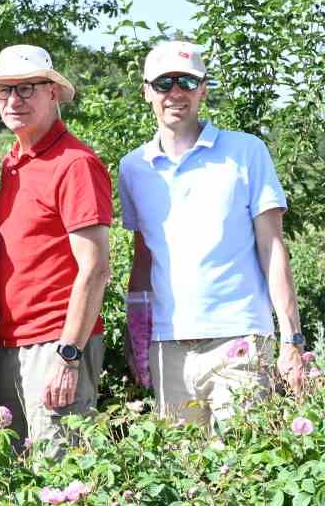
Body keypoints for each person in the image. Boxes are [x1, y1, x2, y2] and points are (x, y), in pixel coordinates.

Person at [119, 41, 309, 428]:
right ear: (146, 92)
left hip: (240, 339)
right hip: (166, 346)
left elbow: (272, 246)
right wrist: (137, 337)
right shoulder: (133, 167)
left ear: (203, 89)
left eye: (187, 81)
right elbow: (144, 258)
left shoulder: (246, 152)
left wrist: (292, 340)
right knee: (184, 477)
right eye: (163, 83)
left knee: (242, 471)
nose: (175, 92)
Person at [0, 44, 111, 443]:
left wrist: (68, 355)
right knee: (17, 480)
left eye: (28, 88)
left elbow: (96, 267)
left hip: (55, 344)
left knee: (60, 479)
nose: (14, 100)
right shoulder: (14, 161)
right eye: (6, 90)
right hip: (12, 341)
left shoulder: (75, 164)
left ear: (53, 92)